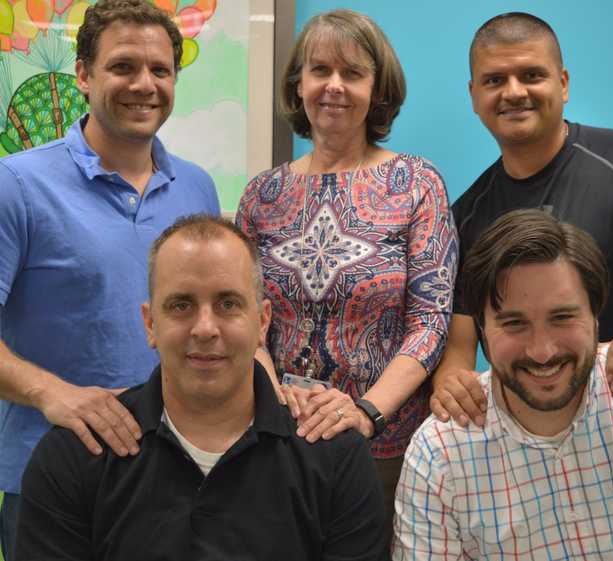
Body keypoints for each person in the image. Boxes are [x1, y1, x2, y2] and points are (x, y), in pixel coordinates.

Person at [15, 215, 386, 561]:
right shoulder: (74, 458)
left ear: (262, 321)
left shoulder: (334, 456)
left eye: (228, 303)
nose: (205, 328)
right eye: (181, 305)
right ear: (149, 324)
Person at [0, 1, 219, 557]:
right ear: (83, 74)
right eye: (123, 66)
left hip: (176, 480)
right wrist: (54, 394)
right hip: (52, 483)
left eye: (160, 70)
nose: (144, 84)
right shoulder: (16, 186)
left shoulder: (197, 188)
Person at [430, 12, 613, 428]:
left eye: (531, 75)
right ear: (474, 95)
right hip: (534, 445)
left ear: (562, 83)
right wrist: (452, 386)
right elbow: (457, 351)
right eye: (494, 80)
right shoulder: (463, 217)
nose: (514, 92)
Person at [235, 8, 457, 539]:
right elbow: (242, 316)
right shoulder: (262, 197)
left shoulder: (416, 183)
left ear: (377, 90)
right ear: (299, 84)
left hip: (384, 454)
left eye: (352, 73)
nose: (334, 86)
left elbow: (431, 320)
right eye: (320, 71)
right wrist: (278, 401)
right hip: (277, 445)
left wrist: (364, 413)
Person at [394, 208, 613, 560]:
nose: (542, 351)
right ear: (481, 329)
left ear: (596, 315)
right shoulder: (439, 452)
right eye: (514, 324)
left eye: (562, 317)